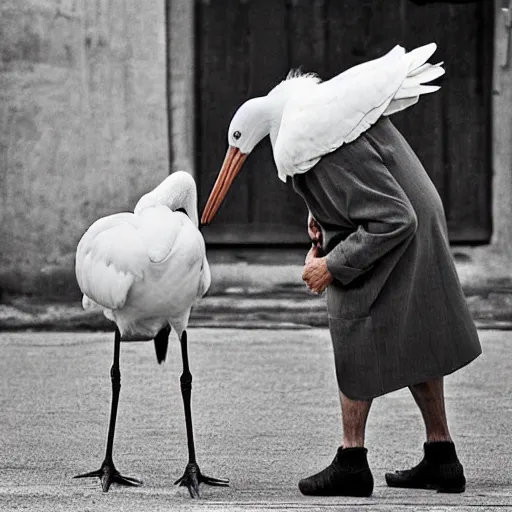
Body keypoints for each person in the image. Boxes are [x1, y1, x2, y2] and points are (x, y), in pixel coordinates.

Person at [297, 116, 482, 497]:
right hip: (422, 216)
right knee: (417, 328)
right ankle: (442, 456)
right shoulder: (343, 114)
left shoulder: (321, 131)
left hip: (404, 225)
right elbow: (367, 182)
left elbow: (391, 218)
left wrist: (329, 265)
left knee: (352, 319)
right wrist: (321, 210)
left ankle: (351, 460)